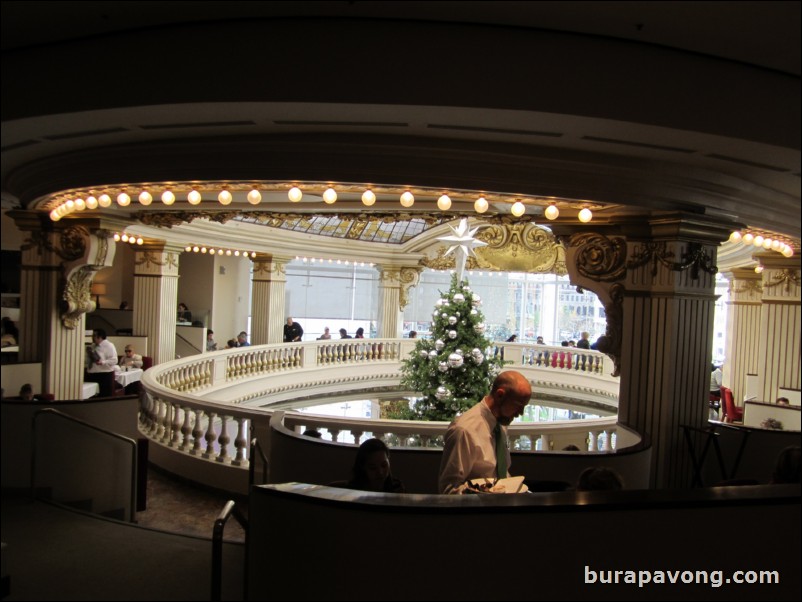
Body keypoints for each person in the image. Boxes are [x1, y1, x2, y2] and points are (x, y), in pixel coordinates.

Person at [438, 370, 532, 494]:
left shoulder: (500, 423)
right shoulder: (464, 430)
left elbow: (499, 473)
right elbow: (449, 490)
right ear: (500, 395)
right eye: (518, 405)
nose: (520, 413)